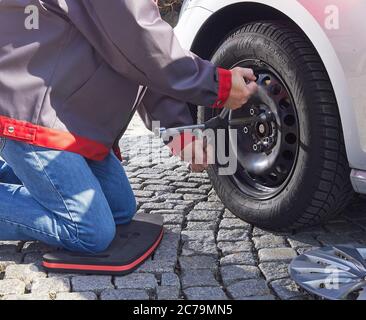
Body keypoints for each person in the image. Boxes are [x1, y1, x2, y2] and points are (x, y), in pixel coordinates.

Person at [0, 1, 257, 253]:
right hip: (30, 116)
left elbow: (140, 62)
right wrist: (218, 85)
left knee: (120, 209)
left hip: (71, 118)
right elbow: (141, 43)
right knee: (89, 232)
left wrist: (179, 131)